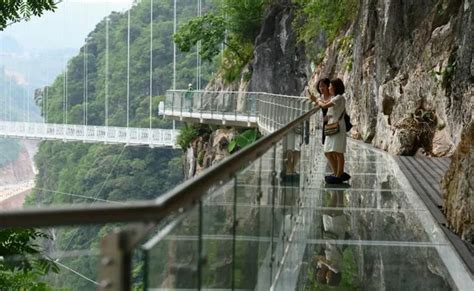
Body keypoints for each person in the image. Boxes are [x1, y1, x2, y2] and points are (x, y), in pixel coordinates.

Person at [316, 78, 350, 184]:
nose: (329, 87)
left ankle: (339, 175)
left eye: (330, 86)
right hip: (333, 127)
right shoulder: (335, 98)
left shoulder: (339, 98)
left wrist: (316, 100)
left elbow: (324, 105)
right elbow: (328, 109)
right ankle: (336, 173)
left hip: (338, 127)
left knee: (338, 152)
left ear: (335, 87)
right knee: (328, 151)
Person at [309, 78, 331, 145]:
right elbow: (318, 105)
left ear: (328, 86)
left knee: (331, 146)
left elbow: (324, 105)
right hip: (325, 122)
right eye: (320, 86)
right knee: (326, 144)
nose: (321, 88)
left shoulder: (332, 97)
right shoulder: (321, 97)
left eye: (323, 86)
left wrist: (316, 100)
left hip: (332, 121)